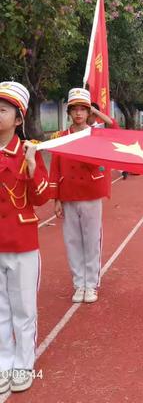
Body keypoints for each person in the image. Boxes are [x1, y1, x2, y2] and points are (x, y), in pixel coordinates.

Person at [0, 81, 50, 393]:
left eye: (2, 110)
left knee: (23, 309)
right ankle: (3, 363)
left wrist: (32, 167)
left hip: (21, 243)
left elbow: (42, 197)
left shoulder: (29, 152)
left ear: (18, 119)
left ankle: (23, 364)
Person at [49, 88, 109, 304]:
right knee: (72, 241)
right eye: (74, 109)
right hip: (68, 194)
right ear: (69, 113)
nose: (78, 114)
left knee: (92, 241)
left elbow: (116, 128)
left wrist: (97, 112)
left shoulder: (97, 134)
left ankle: (91, 284)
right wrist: (55, 197)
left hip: (91, 193)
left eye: (83, 109)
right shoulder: (60, 137)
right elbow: (54, 167)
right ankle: (78, 283)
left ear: (89, 112)